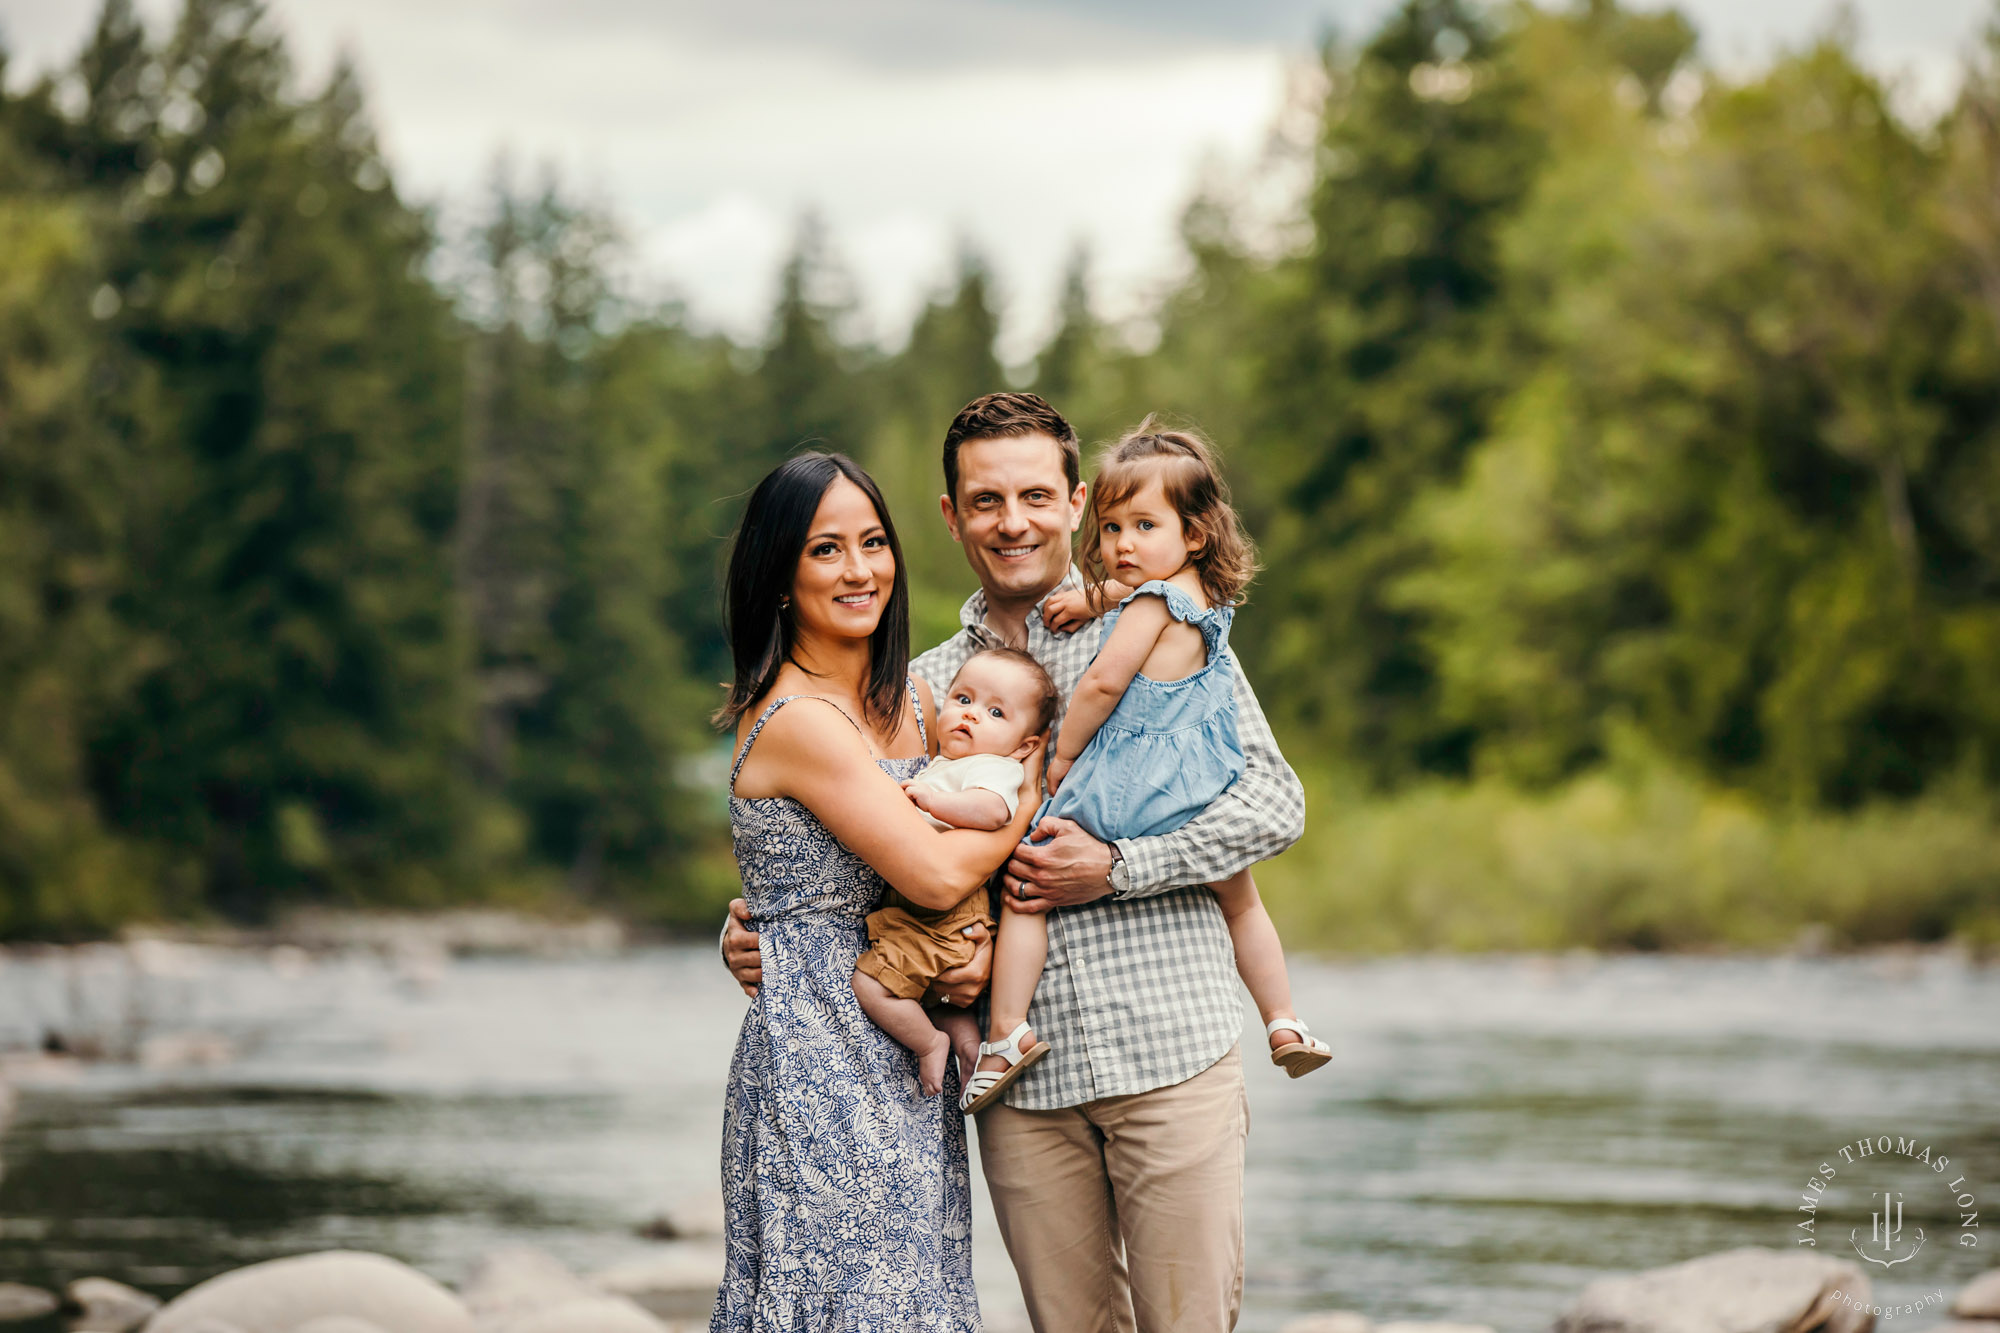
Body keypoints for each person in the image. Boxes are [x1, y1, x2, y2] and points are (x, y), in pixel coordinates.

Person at [724, 393, 1306, 1332]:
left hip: (1166, 1045)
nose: (1014, 521)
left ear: (1077, 503)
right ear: (952, 517)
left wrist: (1117, 865)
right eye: (986, 500)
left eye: (1037, 495)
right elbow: (854, 852)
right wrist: (755, 925)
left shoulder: (1160, 630)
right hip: (1016, 1087)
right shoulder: (921, 689)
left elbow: (1277, 804)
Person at [710, 451, 1039, 1333]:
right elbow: (930, 872)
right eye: (826, 549)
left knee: (917, 1298)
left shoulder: (922, 703)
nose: (860, 570)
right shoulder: (800, 720)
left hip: (903, 1042)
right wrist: (1029, 794)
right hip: (819, 1050)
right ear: (779, 575)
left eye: (874, 543)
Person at [961, 423, 1329, 1115]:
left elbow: (1102, 682)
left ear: (1193, 533)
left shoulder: (1142, 607)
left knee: (1032, 883)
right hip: (1199, 779)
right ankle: (1282, 1018)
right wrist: (1096, 597)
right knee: (1242, 899)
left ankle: (1007, 1030)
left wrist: (1062, 757)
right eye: (1112, 529)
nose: (1122, 545)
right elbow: (1143, 596)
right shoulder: (1203, 596)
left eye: (1142, 526)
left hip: (1132, 779)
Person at [851, 647, 1058, 1098]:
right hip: (927, 907)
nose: (971, 716)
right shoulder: (946, 764)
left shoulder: (994, 767)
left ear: (1024, 746)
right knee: (938, 998)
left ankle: (930, 1044)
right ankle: (969, 1051)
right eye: (963, 700)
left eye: (995, 712)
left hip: (948, 911)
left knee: (870, 985)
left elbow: (993, 810)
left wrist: (931, 801)